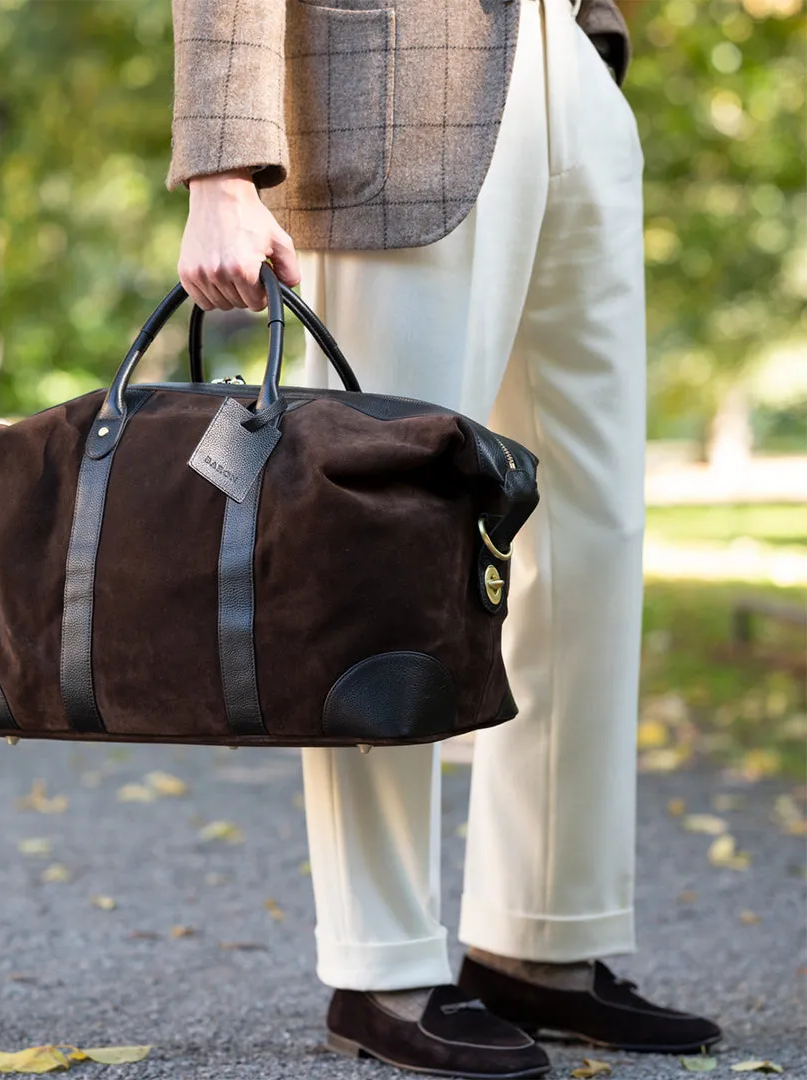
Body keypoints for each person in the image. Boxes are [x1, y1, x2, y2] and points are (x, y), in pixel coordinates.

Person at [166, 0, 722, 1075]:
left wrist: (591, 53)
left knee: (587, 532)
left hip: (565, 71)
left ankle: (542, 941)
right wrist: (222, 171)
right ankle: (382, 965)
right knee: (386, 538)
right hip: (389, 83)